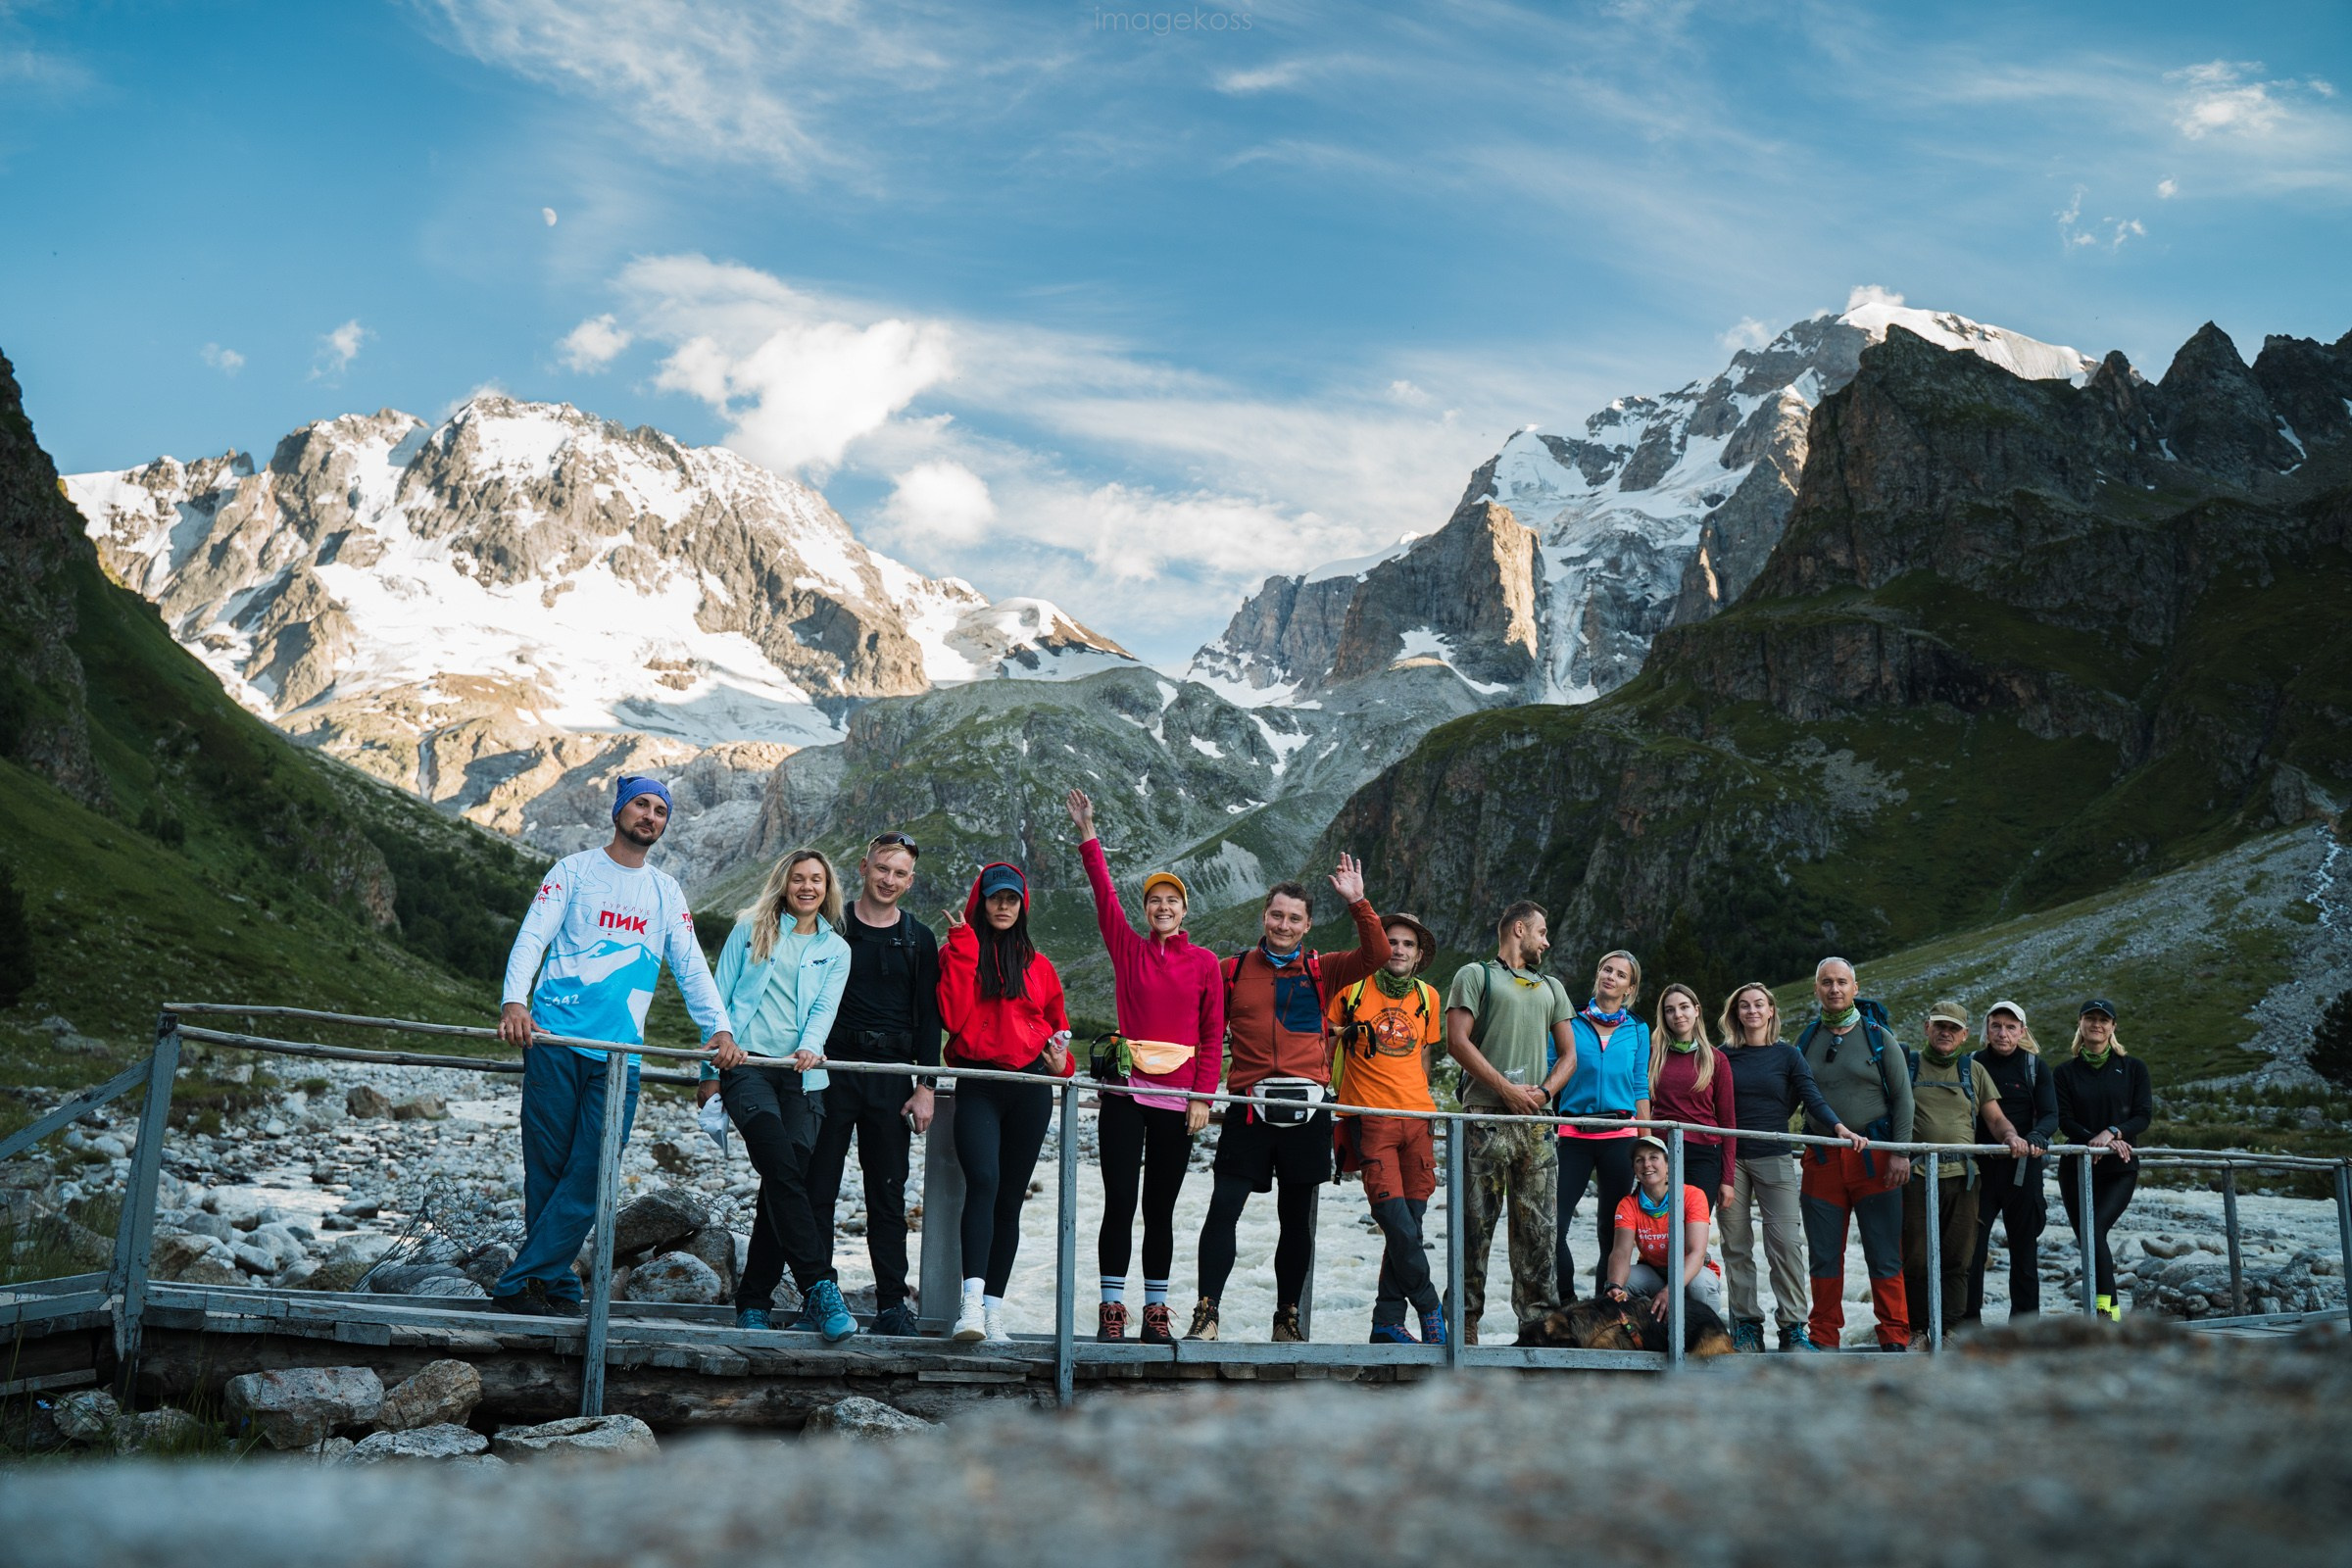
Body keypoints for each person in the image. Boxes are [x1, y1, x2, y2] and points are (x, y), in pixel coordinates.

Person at [492, 775, 735, 1316]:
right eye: (640, 806)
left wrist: (716, 1028)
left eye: (660, 810)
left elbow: (691, 964)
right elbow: (533, 935)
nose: (650, 816)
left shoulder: (666, 891)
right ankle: (552, 1284)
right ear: (619, 811)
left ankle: (521, 1279)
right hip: (554, 1039)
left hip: (621, 1055)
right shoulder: (572, 871)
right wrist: (515, 1001)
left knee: (595, 1168)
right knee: (548, 1170)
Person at [1186, 858, 1390, 1344]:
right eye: (1277, 915)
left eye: (1294, 918)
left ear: (1308, 924)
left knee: (1295, 1220)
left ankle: (1287, 1318)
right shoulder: (1229, 970)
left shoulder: (1325, 969)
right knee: (1223, 1210)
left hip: (1309, 1111)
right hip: (1248, 1109)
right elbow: (1198, 1026)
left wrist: (1358, 901)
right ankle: (1207, 1314)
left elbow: (1378, 953)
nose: (1284, 925)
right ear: (1265, 915)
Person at [1067, 789, 1223, 1344]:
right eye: (1155, 901)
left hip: (1179, 1101)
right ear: (1147, 911)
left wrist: (1204, 1097)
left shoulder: (1205, 964)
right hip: (1126, 1095)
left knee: (1160, 1207)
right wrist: (1088, 832)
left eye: (1172, 902)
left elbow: (1211, 1035)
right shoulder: (1128, 950)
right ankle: (1113, 1307)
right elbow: (1103, 894)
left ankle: (1156, 1311)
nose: (1162, 908)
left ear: (1184, 911)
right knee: (1119, 1201)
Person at [705, 849, 858, 1342]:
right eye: (798, 879)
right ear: (784, 883)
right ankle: (820, 1285)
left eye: (816, 879)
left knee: (781, 1180)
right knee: (780, 1165)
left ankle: (753, 1303)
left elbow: (824, 1013)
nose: (807, 887)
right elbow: (718, 997)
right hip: (748, 1067)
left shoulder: (837, 949)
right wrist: (710, 1068)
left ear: (827, 888)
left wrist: (812, 1048)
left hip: (803, 1077)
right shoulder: (751, 928)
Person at [796, 831, 940, 1339]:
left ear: (910, 879)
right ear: (863, 867)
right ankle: (817, 1294)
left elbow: (929, 1018)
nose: (889, 880)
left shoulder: (919, 939)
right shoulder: (831, 924)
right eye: (883, 869)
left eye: (900, 873)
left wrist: (926, 1085)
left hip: (892, 1076)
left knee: (887, 1195)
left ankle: (892, 1306)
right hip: (832, 1071)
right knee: (819, 1189)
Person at [937, 862, 1074, 1342]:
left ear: (1022, 905)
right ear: (982, 900)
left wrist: (1064, 1064)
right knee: (985, 1182)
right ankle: (969, 1306)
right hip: (979, 1082)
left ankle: (993, 1311)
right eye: (995, 897)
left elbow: (1058, 1027)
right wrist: (961, 949)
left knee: (1010, 1200)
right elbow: (952, 1018)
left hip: (1031, 1089)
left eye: (1011, 899)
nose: (1003, 906)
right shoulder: (960, 950)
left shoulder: (1039, 965)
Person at [1445, 902, 1576, 1345]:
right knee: (1474, 1224)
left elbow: (1569, 1054)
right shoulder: (1476, 975)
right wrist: (1505, 1089)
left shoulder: (1552, 986)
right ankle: (1463, 1323)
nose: (1547, 940)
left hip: (1536, 1122)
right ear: (1519, 929)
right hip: (1484, 1117)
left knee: (1539, 1227)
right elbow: (1456, 1042)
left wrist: (1544, 1093)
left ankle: (1538, 1324)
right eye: (1542, 931)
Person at [1716, 981, 1860, 1351]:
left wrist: (1839, 1127)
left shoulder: (1787, 1055)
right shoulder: (1721, 1056)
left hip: (1775, 1155)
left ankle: (1792, 1328)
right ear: (1736, 1014)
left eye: (1758, 1005)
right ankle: (1746, 1326)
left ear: (1770, 1011)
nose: (1751, 1011)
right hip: (1730, 1159)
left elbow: (1811, 1097)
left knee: (1785, 1244)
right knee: (1736, 1245)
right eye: (1744, 1005)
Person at [1327, 911, 1448, 1346]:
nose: (1398, 949)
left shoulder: (1429, 997)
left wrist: (1424, 1101)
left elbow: (1424, 1055)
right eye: (1391, 942)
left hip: (1419, 1121)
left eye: (1408, 945)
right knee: (1396, 1223)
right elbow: (1326, 1039)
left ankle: (1386, 1323)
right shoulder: (1352, 989)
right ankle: (1431, 1307)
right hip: (1370, 1119)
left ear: (1418, 957)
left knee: (1410, 1227)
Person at [1793, 957, 1914, 1351]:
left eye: (1841, 982)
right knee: (1824, 1254)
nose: (1834, 989)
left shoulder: (1880, 1037)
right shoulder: (1808, 1039)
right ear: (1817, 989)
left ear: (1855, 988)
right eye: (1826, 982)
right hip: (1822, 1157)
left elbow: (1903, 1099)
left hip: (1876, 1158)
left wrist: (1900, 1154)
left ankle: (1894, 1335)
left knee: (1884, 1253)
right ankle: (1823, 1336)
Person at [1900, 1000, 2032, 1347]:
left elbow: (1995, 1117)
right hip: (1915, 1176)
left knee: (1959, 1256)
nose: (1946, 1032)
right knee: (1913, 1255)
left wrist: (2011, 1136)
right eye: (1940, 1026)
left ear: (1965, 1035)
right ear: (1927, 1027)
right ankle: (1917, 1330)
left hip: (1963, 1177)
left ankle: (1951, 1329)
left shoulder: (1971, 1070)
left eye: (1954, 1028)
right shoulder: (1907, 1064)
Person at [1552, 950, 1648, 1303]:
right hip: (1573, 1135)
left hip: (1621, 1140)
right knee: (1555, 1227)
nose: (1611, 976)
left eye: (1620, 974)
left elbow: (1640, 1085)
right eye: (1606, 969)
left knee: (1611, 1231)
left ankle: (1602, 1308)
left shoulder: (1638, 1028)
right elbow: (1553, 1072)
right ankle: (1566, 1302)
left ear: (1629, 987)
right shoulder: (1569, 1022)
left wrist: (1648, 1142)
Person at [2054, 1000, 2150, 1323]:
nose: (2097, 1024)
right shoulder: (2065, 1072)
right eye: (2090, 1018)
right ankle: (2103, 1315)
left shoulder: (2133, 1068)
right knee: (2089, 1240)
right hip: (2076, 1169)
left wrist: (2113, 1132)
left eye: (2103, 1019)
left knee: (2094, 1232)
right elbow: (2063, 1120)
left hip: (2119, 1168)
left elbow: (2143, 1115)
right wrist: (2092, 1140)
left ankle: (2108, 1315)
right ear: (2080, 1024)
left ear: (2113, 1027)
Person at [1964, 999, 2058, 1325]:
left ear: (2022, 1032)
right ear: (1986, 1030)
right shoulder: (1971, 1063)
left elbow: (2050, 1114)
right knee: (1972, 1252)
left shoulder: (2035, 1067)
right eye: (1996, 1026)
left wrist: (2036, 1138)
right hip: (1979, 1170)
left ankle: (2025, 1325)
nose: (2003, 1033)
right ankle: (1967, 1324)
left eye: (2010, 1027)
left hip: (2024, 1170)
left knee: (2024, 1253)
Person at [1602, 1134, 1726, 1332]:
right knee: (1625, 1284)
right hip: (1654, 1272)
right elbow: (1621, 1252)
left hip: (1691, 1271)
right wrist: (1614, 1286)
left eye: (1653, 1157)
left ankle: (1709, 1337)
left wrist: (1671, 1290)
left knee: (1700, 1285)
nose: (1646, 1164)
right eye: (1639, 1160)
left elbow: (1697, 1252)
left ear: (1668, 1165)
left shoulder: (1692, 1195)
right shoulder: (1628, 1204)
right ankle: (1646, 1337)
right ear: (1634, 1169)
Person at [1645, 982, 1737, 1210]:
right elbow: (1642, 1105)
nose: (1678, 1015)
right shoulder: (1652, 1055)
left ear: (1697, 1010)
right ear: (1663, 1016)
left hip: (1704, 1154)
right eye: (1670, 1010)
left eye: (1684, 1007)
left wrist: (1727, 1179)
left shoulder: (1716, 1059)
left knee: (1694, 1227)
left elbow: (1727, 1122)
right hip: (1660, 1151)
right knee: (1658, 1225)